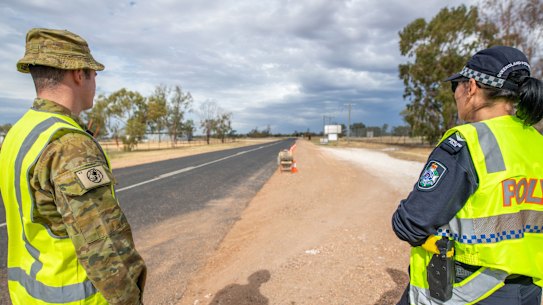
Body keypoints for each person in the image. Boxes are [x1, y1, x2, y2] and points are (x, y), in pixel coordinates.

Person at [0, 28, 146, 305]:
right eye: (94, 74)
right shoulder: (70, 144)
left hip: (29, 296)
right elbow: (104, 248)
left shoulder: (19, 133)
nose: (95, 83)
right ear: (79, 74)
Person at [392, 45, 543, 305]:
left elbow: (410, 223)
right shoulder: (535, 141)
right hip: (528, 291)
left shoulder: (467, 142)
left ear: (471, 87)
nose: (455, 95)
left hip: (469, 290)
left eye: (456, 87)